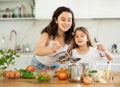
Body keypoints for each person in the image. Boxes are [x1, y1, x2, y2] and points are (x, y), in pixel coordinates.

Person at [31, 6, 75, 71]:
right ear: (56, 20)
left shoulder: (71, 38)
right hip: (39, 65)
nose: (66, 23)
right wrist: (52, 49)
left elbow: (68, 53)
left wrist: (65, 58)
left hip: (56, 67)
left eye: (69, 20)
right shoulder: (47, 34)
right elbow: (37, 51)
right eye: (63, 19)